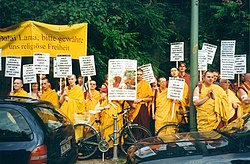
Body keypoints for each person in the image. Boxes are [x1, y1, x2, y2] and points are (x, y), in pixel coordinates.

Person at [94, 87, 123, 159]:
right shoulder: (100, 101)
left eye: (102, 92)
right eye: (100, 92)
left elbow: (116, 109)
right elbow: (96, 109)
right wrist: (104, 107)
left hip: (111, 122)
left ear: (106, 94)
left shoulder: (113, 102)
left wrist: (110, 104)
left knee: (112, 137)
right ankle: (106, 151)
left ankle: (112, 153)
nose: (100, 94)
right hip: (104, 122)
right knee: (105, 137)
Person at [59, 74, 84, 143]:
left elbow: (80, 103)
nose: (70, 81)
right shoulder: (66, 89)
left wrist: (69, 99)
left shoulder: (78, 90)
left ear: (75, 80)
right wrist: (63, 95)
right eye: (69, 79)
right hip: (65, 112)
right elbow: (61, 102)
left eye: (72, 79)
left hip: (74, 113)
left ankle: (76, 144)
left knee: (74, 129)